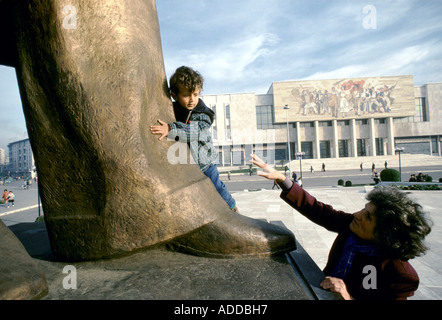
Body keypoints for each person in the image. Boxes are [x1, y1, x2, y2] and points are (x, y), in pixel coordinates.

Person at [250, 153, 432, 300]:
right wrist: (282, 178)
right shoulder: (351, 226)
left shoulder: (400, 274)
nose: (358, 215)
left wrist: (348, 296)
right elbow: (317, 210)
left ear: (384, 235)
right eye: (364, 209)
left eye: (367, 216)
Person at [150, 66, 238, 212]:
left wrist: (171, 129)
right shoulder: (172, 109)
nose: (192, 100)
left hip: (205, 163)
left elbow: (193, 132)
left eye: (196, 94)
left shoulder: (203, 114)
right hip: (184, 163)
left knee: (216, 186)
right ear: (174, 95)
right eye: (186, 95)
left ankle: (232, 208)